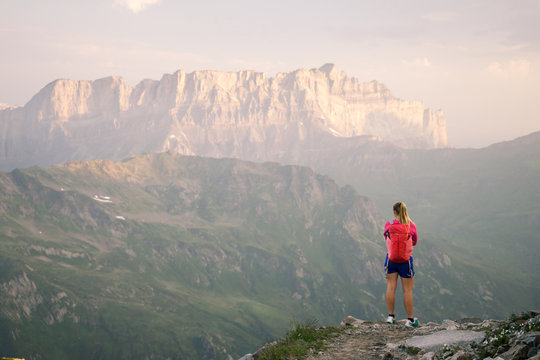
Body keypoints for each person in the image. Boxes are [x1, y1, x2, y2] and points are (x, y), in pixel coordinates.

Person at [384, 201, 419, 327]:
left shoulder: (388, 225)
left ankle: (390, 316)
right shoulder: (411, 226)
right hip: (406, 261)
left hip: (391, 260)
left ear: (394, 212)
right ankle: (410, 320)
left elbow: (386, 238)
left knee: (391, 288)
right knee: (407, 291)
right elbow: (414, 241)